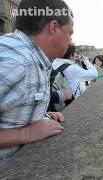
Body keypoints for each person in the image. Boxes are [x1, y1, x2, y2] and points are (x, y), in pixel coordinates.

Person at [0, 0, 73, 161]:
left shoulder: (30, 57)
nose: (70, 41)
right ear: (53, 27)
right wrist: (26, 134)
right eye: (69, 33)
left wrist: (39, 116)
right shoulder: (16, 62)